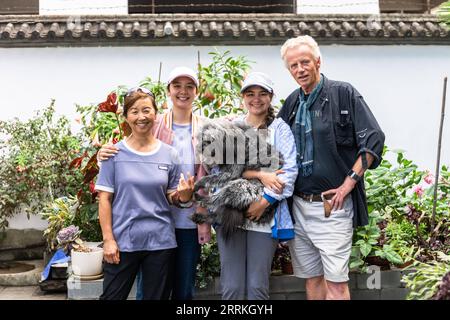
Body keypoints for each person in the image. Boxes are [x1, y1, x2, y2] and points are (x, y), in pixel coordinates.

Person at [277, 35, 385, 300]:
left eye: (305, 62)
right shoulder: (291, 103)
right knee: (312, 280)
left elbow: (373, 138)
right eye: (293, 65)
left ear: (318, 61)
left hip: (332, 206)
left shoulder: (343, 93)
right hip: (299, 205)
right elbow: (273, 141)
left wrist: (348, 184)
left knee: (336, 283)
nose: (300, 69)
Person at [98, 66, 211, 300]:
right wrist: (108, 239)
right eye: (177, 86)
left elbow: (225, 160)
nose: (183, 91)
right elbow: (105, 196)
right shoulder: (145, 129)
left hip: (175, 229)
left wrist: (187, 195)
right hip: (131, 234)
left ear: (197, 91)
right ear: (168, 91)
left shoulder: (206, 129)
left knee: (180, 291)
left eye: (189, 86)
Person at [214, 72, 298, 300]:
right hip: (231, 215)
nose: (256, 99)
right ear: (242, 97)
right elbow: (221, 171)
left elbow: (288, 173)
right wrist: (261, 174)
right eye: (250, 93)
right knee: (231, 287)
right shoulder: (232, 128)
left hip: (265, 219)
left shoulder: (280, 130)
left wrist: (264, 202)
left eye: (262, 93)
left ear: (271, 97)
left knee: (257, 286)